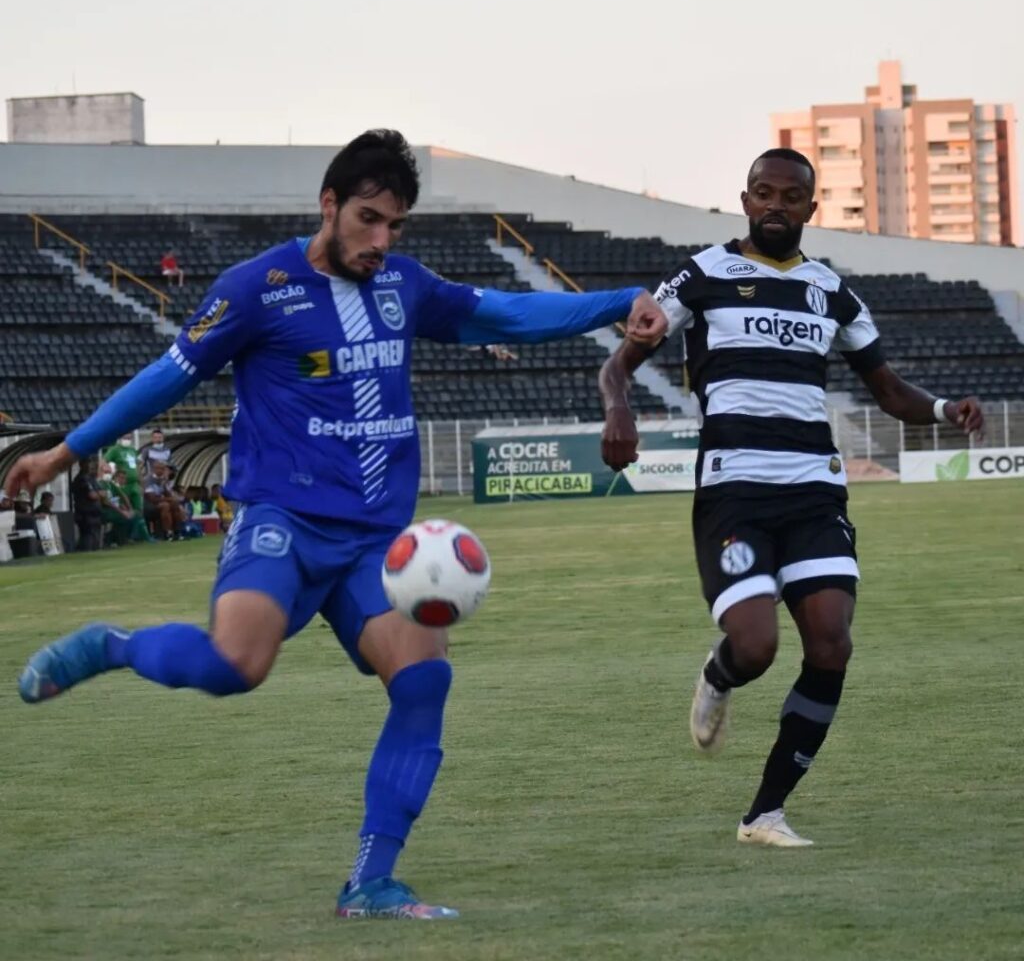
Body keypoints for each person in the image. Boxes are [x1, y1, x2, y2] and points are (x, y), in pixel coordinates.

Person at [7, 129, 666, 920]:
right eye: (369, 220)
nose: (382, 241)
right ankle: (109, 647)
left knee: (424, 680)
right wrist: (66, 452)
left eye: (395, 226)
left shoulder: (405, 287)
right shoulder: (258, 287)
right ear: (329, 205)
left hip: (374, 546)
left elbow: (507, 314)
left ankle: (371, 882)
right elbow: (166, 377)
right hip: (283, 521)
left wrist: (617, 303)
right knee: (234, 667)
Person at [599, 148, 984, 848]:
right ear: (744, 202)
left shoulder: (833, 292)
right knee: (756, 644)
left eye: (790, 196)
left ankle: (764, 814)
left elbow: (889, 391)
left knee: (832, 643)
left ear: (812, 208)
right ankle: (720, 675)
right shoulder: (704, 273)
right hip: (735, 492)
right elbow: (622, 361)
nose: (775, 205)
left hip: (814, 493)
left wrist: (943, 409)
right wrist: (618, 409)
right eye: (763, 193)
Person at [143, 462, 186, 541]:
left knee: (175, 504)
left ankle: (177, 532)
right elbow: (152, 498)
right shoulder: (148, 480)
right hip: (148, 505)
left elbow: (167, 494)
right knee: (165, 506)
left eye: (163, 469)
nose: (162, 471)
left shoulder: (163, 480)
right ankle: (167, 532)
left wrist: (166, 485)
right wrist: (169, 499)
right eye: (159, 469)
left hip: (160, 502)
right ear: (154, 469)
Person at [104, 436, 145, 515]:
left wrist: (141, 483)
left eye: (129, 438)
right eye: (125, 437)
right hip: (123, 485)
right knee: (125, 507)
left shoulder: (132, 450)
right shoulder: (114, 450)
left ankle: (138, 524)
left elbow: (137, 466)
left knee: (139, 508)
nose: (127, 440)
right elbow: (104, 461)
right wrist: (107, 470)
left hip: (134, 484)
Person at [70, 457, 104, 552]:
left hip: (95, 512)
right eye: (87, 463)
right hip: (85, 513)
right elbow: (92, 495)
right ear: (81, 465)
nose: (89, 466)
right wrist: (99, 494)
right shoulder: (81, 479)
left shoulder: (91, 478)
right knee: (87, 536)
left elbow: (103, 492)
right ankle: (85, 553)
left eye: (90, 463)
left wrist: (98, 494)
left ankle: (92, 552)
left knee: (95, 537)